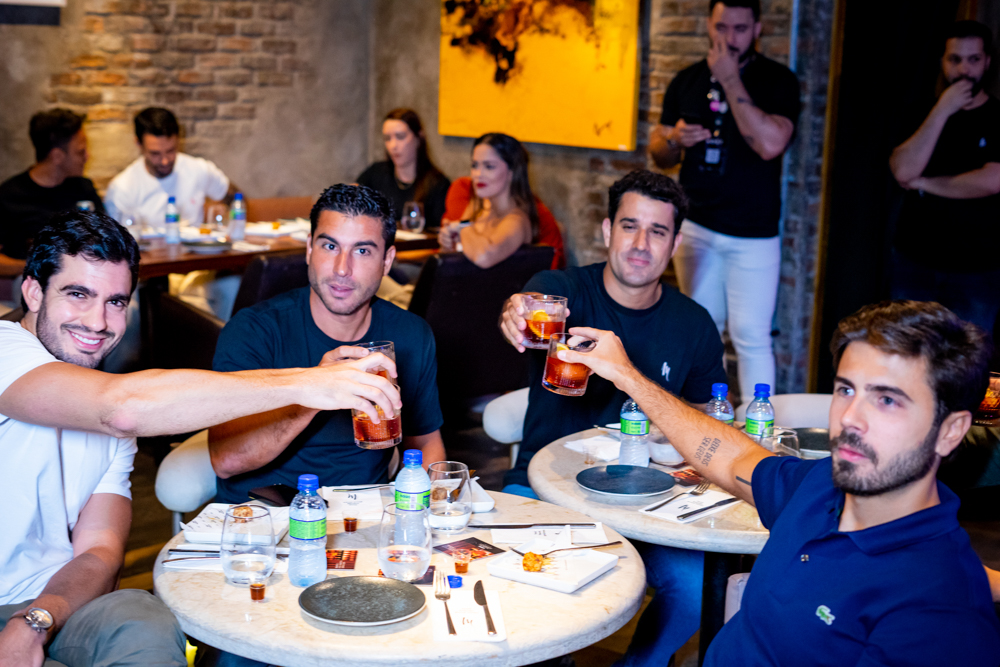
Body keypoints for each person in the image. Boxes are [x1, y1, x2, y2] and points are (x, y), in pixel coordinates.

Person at [0, 210, 401, 667]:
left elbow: (100, 551)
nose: (97, 321)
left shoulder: (112, 409)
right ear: (33, 292)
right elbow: (122, 408)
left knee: (142, 616)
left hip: (49, 603)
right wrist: (309, 384)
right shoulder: (7, 350)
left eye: (115, 302)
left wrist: (37, 619)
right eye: (78, 295)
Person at [559, 300, 1000, 665]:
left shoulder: (941, 612)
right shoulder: (819, 485)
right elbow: (732, 455)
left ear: (950, 431)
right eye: (846, 390)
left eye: (886, 400)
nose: (851, 418)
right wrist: (626, 375)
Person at [499, 169, 727, 667]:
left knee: (696, 586)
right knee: (523, 582)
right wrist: (515, 311)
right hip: (545, 486)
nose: (641, 244)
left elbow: (709, 420)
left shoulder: (693, 323)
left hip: (650, 502)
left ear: (675, 244)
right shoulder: (564, 294)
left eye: (657, 231)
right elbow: (529, 304)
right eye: (629, 226)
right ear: (607, 231)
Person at [208, 184, 446, 504]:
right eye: (330, 246)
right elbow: (226, 460)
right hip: (262, 517)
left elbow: (425, 444)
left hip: (364, 515)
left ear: (387, 260)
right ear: (310, 248)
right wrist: (315, 391)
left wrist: (431, 507)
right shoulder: (254, 330)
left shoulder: (410, 334)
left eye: (362, 251)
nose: (342, 269)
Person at [649, 0, 800, 404]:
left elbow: (771, 145)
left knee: (752, 336)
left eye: (740, 28)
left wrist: (730, 79)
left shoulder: (777, 80)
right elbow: (659, 153)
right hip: (696, 225)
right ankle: (704, 416)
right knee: (703, 329)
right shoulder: (687, 79)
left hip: (753, 232)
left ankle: (759, 425)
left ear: (758, 29)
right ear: (708, 25)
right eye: (721, 27)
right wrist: (674, 139)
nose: (729, 38)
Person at [889, 21, 1000, 337]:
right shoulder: (920, 112)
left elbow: (992, 180)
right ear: (942, 62)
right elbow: (903, 170)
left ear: (987, 62)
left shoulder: (996, 116)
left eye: (973, 59)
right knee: (908, 351)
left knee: (970, 357)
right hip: (915, 260)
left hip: (977, 267)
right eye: (955, 59)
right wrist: (942, 110)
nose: (964, 69)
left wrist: (926, 183)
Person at [0, 109, 102, 271]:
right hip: (32, 279)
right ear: (57, 156)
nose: (87, 156)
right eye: (80, 152)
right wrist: (34, 267)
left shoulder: (83, 188)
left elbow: (106, 239)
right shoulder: (9, 196)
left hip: (86, 275)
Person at [104, 107, 237, 227]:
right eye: (155, 153)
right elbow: (115, 242)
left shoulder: (199, 169)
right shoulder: (122, 189)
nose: (165, 161)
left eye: (170, 151)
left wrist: (231, 224)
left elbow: (236, 199)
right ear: (138, 144)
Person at [438, 133, 545, 269]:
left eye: (489, 166)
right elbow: (456, 259)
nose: (478, 174)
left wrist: (462, 228)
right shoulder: (479, 208)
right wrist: (448, 243)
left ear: (512, 172)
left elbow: (483, 257)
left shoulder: (517, 221)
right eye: (475, 165)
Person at [357, 108, 451, 230]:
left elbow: (438, 231)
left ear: (419, 138)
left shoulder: (437, 184)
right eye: (387, 138)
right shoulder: (375, 173)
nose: (393, 146)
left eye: (400, 137)